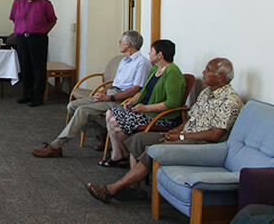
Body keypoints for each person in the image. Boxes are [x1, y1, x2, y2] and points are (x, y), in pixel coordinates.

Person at [85, 57, 243, 203]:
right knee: (139, 139)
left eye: (208, 70)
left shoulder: (230, 101)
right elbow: (190, 119)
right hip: (184, 134)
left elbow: (215, 135)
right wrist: (175, 131)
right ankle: (135, 188)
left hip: (201, 145)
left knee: (154, 150)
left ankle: (112, 190)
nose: (203, 72)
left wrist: (181, 136)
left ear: (221, 77)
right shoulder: (206, 93)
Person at [32, 30, 150, 158]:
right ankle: (102, 132)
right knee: (72, 106)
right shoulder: (124, 60)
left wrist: (109, 97)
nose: (119, 44)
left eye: (120, 41)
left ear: (128, 44)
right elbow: (116, 83)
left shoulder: (142, 63)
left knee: (83, 111)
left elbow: (135, 90)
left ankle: (57, 145)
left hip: (121, 100)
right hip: (111, 94)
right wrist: (103, 91)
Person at [101, 39, 186, 167]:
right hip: (144, 110)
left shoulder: (172, 72)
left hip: (161, 116)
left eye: (151, 51)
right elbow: (143, 91)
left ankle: (128, 152)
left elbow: (172, 103)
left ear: (160, 55)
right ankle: (118, 155)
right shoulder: (155, 69)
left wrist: (145, 108)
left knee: (115, 123)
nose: (149, 53)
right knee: (109, 114)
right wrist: (131, 102)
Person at [9, 0, 57, 106]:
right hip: (21, 38)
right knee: (25, 68)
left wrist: (42, 31)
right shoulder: (17, 3)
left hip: (38, 39)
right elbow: (14, 19)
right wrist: (24, 29)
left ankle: (37, 97)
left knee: (38, 68)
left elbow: (52, 20)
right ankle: (26, 94)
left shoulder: (45, 3)